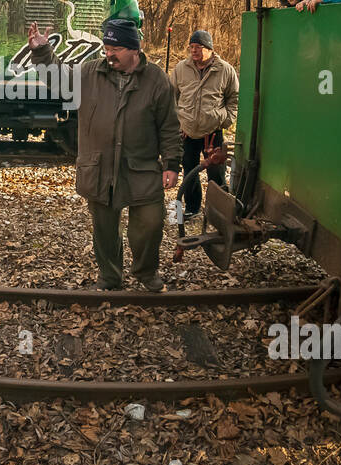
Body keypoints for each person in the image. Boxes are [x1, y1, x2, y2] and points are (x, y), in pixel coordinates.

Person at [27, 17, 180, 291]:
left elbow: (169, 126)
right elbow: (58, 81)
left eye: (116, 48)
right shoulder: (89, 73)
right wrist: (41, 53)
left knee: (150, 224)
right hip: (100, 169)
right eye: (107, 47)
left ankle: (146, 272)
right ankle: (110, 277)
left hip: (141, 168)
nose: (109, 53)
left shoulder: (157, 81)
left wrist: (171, 163)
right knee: (105, 230)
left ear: (135, 49)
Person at [170, 30, 239, 219]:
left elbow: (234, 98)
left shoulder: (225, 70)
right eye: (191, 47)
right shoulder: (181, 69)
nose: (194, 51)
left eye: (198, 48)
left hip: (213, 132)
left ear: (209, 49)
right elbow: (171, 97)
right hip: (188, 133)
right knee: (190, 171)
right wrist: (178, 123)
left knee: (216, 174)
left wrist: (224, 119)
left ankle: (218, 212)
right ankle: (192, 208)